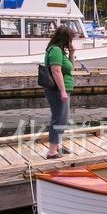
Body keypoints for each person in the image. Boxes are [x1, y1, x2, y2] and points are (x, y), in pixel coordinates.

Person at [44, 27, 76, 159]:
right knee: (59, 118)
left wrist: (71, 54)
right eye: (71, 39)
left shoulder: (60, 51)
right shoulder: (56, 50)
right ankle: (52, 151)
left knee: (63, 117)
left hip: (62, 90)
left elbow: (69, 68)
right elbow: (56, 71)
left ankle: (57, 146)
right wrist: (62, 91)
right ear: (65, 38)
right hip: (57, 91)